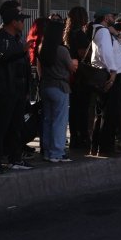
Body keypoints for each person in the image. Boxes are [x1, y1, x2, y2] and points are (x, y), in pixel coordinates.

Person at [0, 2, 34, 174]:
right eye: (21, 20)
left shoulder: (17, 39)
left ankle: (15, 158)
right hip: (4, 90)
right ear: (13, 21)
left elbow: (24, 67)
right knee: (0, 126)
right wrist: (20, 51)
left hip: (19, 90)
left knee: (16, 126)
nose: (23, 23)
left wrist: (28, 88)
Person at [88, 8, 121, 158]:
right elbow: (105, 52)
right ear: (106, 17)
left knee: (103, 113)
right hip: (111, 75)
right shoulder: (103, 32)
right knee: (110, 113)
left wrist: (115, 32)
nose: (114, 18)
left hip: (108, 74)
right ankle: (106, 147)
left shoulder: (104, 31)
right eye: (112, 16)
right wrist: (113, 72)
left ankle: (97, 146)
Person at [38, 19, 76, 163]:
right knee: (59, 121)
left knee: (47, 120)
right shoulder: (62, 50)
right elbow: (71, 68)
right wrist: (74, 63)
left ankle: (47, 151)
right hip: (60, 87)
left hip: (45, 86)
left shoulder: (42, 47)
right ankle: (57, 152)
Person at [64, 6, 91, 150]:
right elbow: (82, 54)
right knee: (82, 108)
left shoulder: (68, 33)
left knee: (74, 108)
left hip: (72, 75)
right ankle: (82, 137)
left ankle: (75, 137)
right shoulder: (80, 34)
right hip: (81, 75)